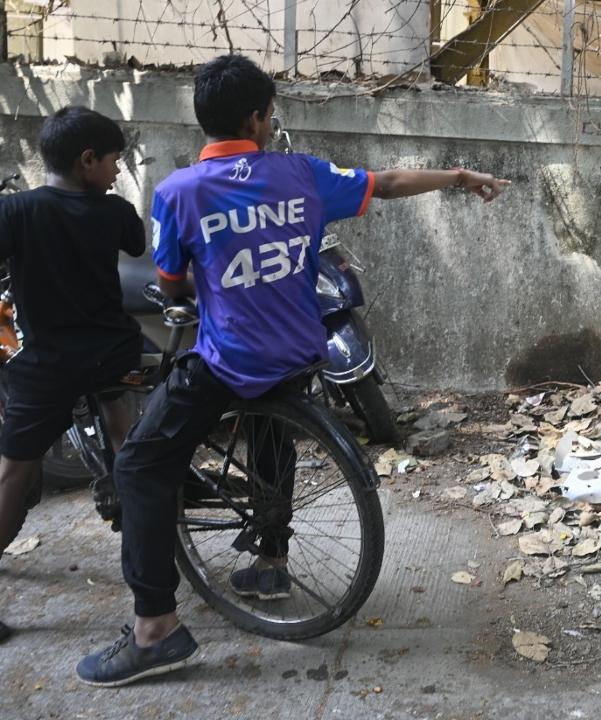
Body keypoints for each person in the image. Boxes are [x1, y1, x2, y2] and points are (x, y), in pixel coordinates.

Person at [76, 54, 510, 687]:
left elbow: (171, 280)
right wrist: (458, 175)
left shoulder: (177, 193)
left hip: (232, 360)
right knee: (271, 435)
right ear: (257, 117)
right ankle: (274, 561)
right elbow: (385, 183)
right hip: (298, 350)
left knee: (139, 466)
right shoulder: (302, 174)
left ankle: (154, 630)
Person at [0, 106, 146, 644]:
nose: (115, 171)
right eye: (113, 161)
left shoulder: (16, 212)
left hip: (47, 367)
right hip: (112, 353)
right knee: (123, 436)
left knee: (14, 473)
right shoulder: (115, 213)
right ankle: (144, 543)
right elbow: (136, 245)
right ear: (88, 161)